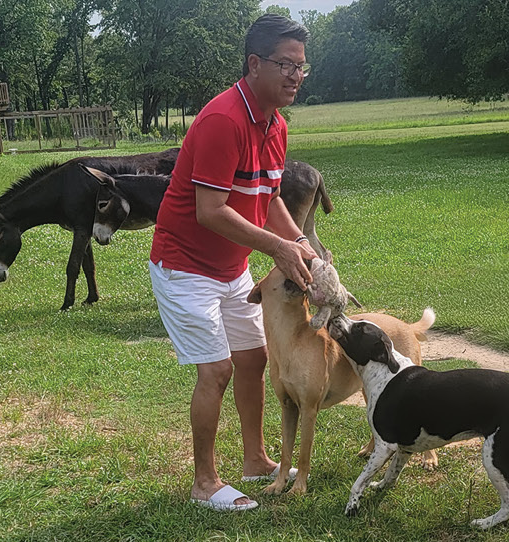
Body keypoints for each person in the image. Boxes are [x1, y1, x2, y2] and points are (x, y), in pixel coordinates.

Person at [151, 14, 316, 512]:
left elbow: (267, 196)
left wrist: (300, 243)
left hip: (231, 268)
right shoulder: (224, 120)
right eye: (285, 65)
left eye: (302, 68)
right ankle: (205, 483)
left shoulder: (276, 125)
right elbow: (210, 211)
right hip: (184, 267)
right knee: (217, 370)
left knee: (254, 358)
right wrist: (277, 249)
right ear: (254, 64)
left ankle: (255, 460)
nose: (294, 76)